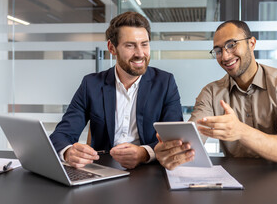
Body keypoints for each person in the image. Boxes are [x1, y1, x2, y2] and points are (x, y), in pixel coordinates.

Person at [155, 20, 277, 170]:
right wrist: (173, 152)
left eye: (231, 45)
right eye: (218, 50)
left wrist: (241, 131)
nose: (225, 56)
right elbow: (193, 140)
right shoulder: (211, 93)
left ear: (252, 43)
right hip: (234, 181)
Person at [50, 11, 183, 169]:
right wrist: (68, 152)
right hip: (103, 169)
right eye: (130, 45)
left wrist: (144, 153)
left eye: (144, 44)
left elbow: (174, 140)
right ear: (112, 48)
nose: (140, 53)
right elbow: (61, 135)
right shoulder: (91, 84)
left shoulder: (165, 82)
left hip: (149, 171)